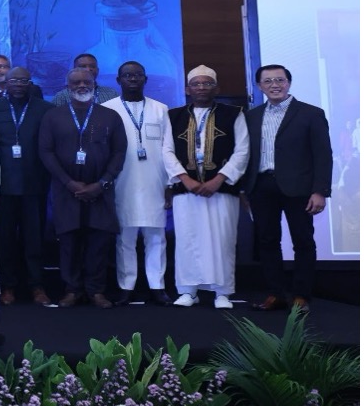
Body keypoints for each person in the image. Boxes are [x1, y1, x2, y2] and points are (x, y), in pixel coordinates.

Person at [244, 64, 332, 314]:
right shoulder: (251, 116)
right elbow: (245, 155)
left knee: (303, 241)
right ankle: (276, 294)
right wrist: (244, 190)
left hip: (300, 188)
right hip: (261, 186)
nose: (274, 85)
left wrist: (320, 191)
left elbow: (323, 155)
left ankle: (301, 296)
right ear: (260, 86)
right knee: (267, 242)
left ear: (289, 83)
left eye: (280, 80)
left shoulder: (311, 114)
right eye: (268, 81)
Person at [162, 65, 249, 309]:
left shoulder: (234, 114)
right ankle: (188, 291)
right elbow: (166, 151)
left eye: (207, 83)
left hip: (221, 190)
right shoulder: (173, 115)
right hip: (186, 190)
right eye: (196, 84)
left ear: (217, 88)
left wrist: (218, 179)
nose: (201, 88)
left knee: (222, 239)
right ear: (187, 89)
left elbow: (242, 151)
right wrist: (185, 179)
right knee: (188, 240)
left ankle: (223, 292)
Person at [39, 68, 126, 308]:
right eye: (76, 82)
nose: (81, 86)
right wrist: (69, 182)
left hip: (101, 191)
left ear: (95, 85)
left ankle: (96, 290)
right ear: (67, 86)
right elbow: (45, 152)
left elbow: (119, 152)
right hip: (66, 190)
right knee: (68, 243)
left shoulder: (110, 116)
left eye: (86, 82)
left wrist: (102, 183)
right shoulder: (53, 116)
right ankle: (72, 290)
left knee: (98, 243)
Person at [0, 67, 53, 305]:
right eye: (15, 80)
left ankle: (36, 286)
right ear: (6, 83)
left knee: (35, 238)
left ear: (30, 83)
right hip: (3, 187)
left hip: (35, 185)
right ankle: (8, 286)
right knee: (4, 238)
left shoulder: (46, 110)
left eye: (24, 80)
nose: (19, 84)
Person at [102, 60, 173, 306]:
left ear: (145, 79)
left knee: (156, 236)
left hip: (156, 180)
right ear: (118, 80)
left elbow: (168, 148)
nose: (133, 79)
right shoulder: (107, 110)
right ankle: (126, 286)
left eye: (138, 75)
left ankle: (157, 285)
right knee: (125, 238)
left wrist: (170, 184)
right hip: (122, 182)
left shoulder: (160, 109)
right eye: (127, 75)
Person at [49, 53, 118, 106]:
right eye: (83, 66)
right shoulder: (62, 96)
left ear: (97, 70)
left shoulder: (111, 94)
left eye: (92, 66)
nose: (88, 69)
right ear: (74, 70)